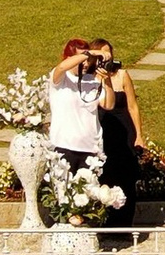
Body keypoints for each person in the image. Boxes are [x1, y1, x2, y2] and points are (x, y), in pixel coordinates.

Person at [87, 38, 145, 228]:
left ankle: (124, 224)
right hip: (100, 131)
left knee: (125, 175)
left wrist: (139, 135)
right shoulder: (88, 77)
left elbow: (133, 106)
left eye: (108, 53)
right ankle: (103, 222)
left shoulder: (122, 75)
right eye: (101, 54)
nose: (106, 57)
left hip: (123, 130)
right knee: (103, 175)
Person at [47, 37, 113, 176]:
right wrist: (91, 53)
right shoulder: (60, 79)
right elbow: (62, 67)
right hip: (63, 146)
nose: (85, 64)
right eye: (82, 59)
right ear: (69, 58)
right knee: (63, 189)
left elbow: (109, 105)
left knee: (88, 189)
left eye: (88, 60)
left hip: (91, 149)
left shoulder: (92, 81)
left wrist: (107, 82)